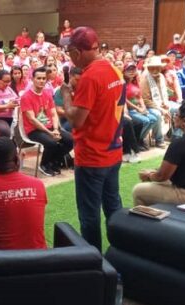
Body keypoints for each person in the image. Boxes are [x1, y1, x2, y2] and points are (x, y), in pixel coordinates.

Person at [59, 26, 125, 251]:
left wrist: (67, 95)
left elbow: (77, 119)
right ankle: (121, 253)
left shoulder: (90, 76)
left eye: (69, 51)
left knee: (89, 216)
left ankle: (94, 265)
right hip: (113, 151)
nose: (68, 56)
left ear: (77, 52)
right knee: (113, 207)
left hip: (92, 157)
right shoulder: (114, 69)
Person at [21, 66, 73, 176]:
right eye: (38, 78)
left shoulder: (47, 94)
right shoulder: (26, 97)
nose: (41, 81)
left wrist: (55, 129)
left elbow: (54, 114)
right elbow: (32, 119)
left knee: (71, 139)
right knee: (52, 142)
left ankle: (54, 160)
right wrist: (50, 133)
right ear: (32, 79)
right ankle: (44, 164)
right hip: (33, 130)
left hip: (50, 127)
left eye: (43, 78)